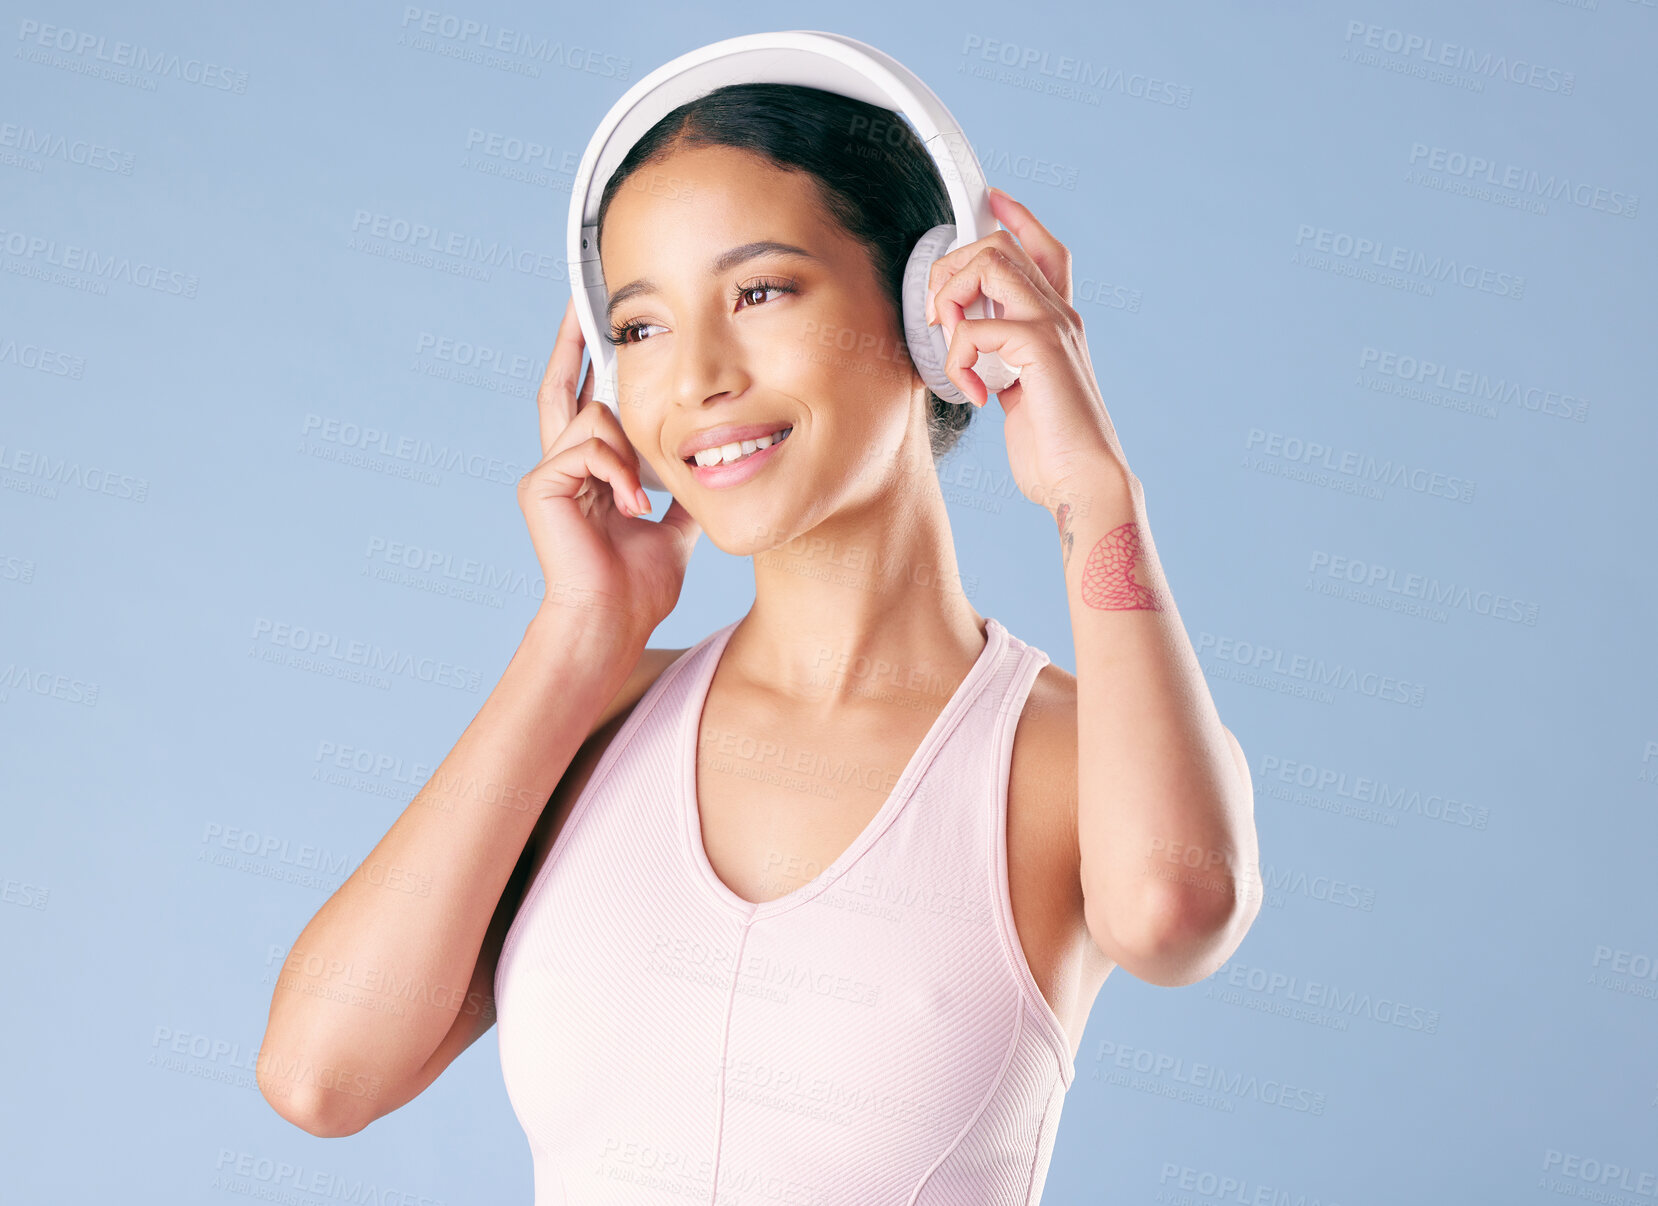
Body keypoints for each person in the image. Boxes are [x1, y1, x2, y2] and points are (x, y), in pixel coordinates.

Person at [256, 82, 1261, 1201]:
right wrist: (579, 632)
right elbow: (320, 1077)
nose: (694, 379)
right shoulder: (593, 719)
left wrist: (1092, 493)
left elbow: (1176, 914)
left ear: (931, 314)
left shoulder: (1073, 748)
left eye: (761, 291)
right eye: (639, 327)